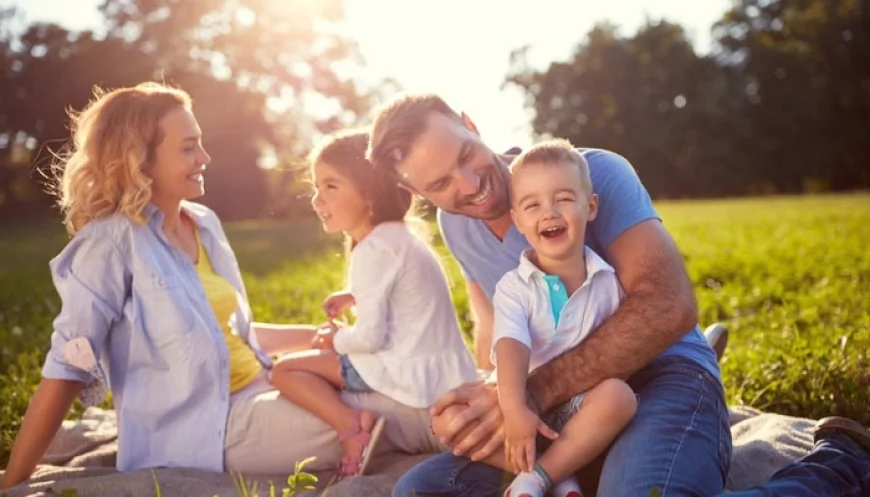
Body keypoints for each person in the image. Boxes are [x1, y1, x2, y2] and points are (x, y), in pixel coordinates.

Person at [368, 93, 870, 497]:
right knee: (422, 489)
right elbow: (498, 322)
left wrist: (530, 393)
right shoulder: (456, 225)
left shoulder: (592, 172)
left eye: (465, 155)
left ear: (470, 122)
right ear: (418, 194)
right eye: (440, 182)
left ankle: (836, 465)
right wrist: (488, 400)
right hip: (560, 408)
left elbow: (667, 306)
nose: (470, 182)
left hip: (661, 373)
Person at [0, 83, 444, 490]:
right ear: (141, 160)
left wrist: (317, 338)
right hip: (208, 430)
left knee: (405, 382)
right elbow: (67, 368)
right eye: (189, 148)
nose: (205, 158)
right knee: (394, 413)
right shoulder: (108, 244)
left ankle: (491, 422)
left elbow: (231, 336)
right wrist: (15, 481)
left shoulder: (204, 223)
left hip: (263, 385)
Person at [268, 129, 479, 479]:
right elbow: (399, 289)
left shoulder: (372, 250)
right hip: (445, 371)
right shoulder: (401, 237)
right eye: (317, 187)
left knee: (285, 370)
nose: (317, 200)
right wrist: (353, 294)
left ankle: (351, 427)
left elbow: (369, 339)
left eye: (331, 186)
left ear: (368, 194)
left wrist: (332, 341)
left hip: (406, 374)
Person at [480, 139, 637, 497]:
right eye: (532, 205)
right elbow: (511, 346)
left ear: (591, 207)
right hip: (522, 401)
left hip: (581, 410)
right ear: (518, 221)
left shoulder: (608, 281)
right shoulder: (513, 287)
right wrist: (515, 407)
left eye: (563, 199)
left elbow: (620, 354)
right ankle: (562, 475)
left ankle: (540, 476)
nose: (548, 212)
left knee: (620, 397)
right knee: (448, 420)